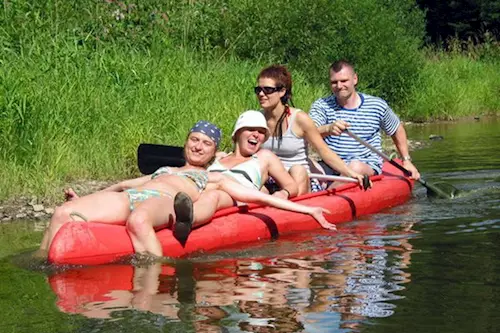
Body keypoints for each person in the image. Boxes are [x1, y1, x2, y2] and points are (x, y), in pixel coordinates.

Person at [38, 117, 335, 259]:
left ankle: (160, 279)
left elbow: (257, 197)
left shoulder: (213, 177)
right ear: (186, 143)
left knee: (138, 221)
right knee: (64, 212)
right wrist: (85, 199)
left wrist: (308, 208)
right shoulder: (166, 169)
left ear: (214, 152)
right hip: (136, 194)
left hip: (166, 201)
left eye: (206, 144)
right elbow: (122, 185)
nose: (198, 146)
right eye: (194, 139)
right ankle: (41, 264)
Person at [255, 65, 366, 195]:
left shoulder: (299, 118)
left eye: (267, 90)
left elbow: (324, 151)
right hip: (269, 181)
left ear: (282, 92)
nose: (261, 94)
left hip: (298, 180)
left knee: (298, 170)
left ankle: (296, 207)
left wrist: (350, 173)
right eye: (258, 90)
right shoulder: (257, 118)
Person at [309, 59, 420, 180]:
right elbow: (309, 131)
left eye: (344, 81)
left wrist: (406, 160)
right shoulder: (321, 105)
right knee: (300, 167)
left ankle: (328, 193)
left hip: (364, 165)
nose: (339, 86)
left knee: (355, 167)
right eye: (334, 82)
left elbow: (396, 129)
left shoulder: (376, 105)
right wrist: (328, 128)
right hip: (330, 165)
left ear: (355, 79)